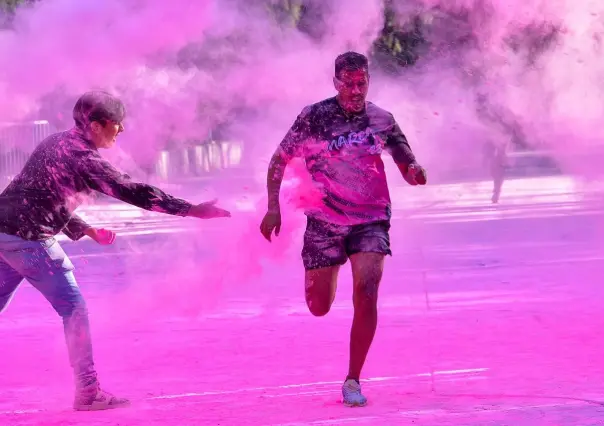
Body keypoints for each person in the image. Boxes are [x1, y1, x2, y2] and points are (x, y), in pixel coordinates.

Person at [0, 91, 230, 411]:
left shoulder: (55, 141)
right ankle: (89, 390)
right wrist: (190, 210)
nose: (120, 131)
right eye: (116, 125)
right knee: (74, 310)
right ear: (96, 125)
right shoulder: (83, 158)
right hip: (29, 240)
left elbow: (37, 195)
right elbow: (133, 191)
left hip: (3, 235)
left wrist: (86, 229)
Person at [259, 52, 427, 407]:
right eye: (347, 83)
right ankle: (320, 280)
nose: (355, 90)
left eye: (361, 83)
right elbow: (279, 158)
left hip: (370, 219)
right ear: (335, 82)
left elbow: (404, 160)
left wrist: (414, 172)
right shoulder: (313, 117)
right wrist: (273, 207)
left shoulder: (382, 119)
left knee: (367, 291)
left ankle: (353, 378)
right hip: (324, 221)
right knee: (319, 306)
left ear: (369, 81)